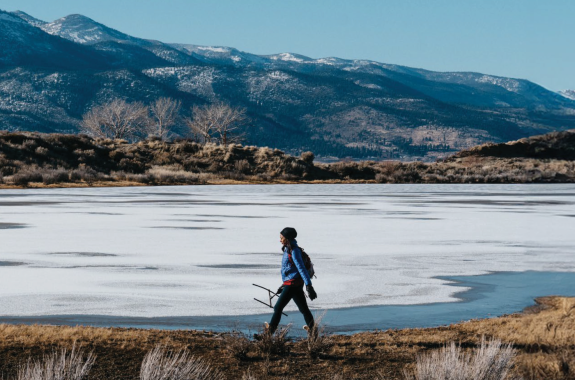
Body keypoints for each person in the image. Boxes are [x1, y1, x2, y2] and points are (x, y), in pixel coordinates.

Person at [265, 227, 317, 335]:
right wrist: (284, 284)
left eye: (281, 237)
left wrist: (309, 286)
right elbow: (291, 270)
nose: (280, 240)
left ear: (287, 238)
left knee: (277, 308)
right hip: (292, 283)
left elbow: (301, 268)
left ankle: (268, 335)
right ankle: (314, 333)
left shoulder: (294, 251)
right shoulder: (288, 248)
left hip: (293, 284)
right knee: (304, 309)